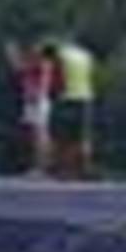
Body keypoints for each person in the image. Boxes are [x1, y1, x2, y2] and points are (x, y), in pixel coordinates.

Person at [45, 40, 96, 180]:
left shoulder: (60, 58)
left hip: (65, 99)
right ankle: (85, 168)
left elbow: (57, 79)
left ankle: (62, 169)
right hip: (85, 98)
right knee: (82, 137)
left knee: (61, 137)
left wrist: (51, 95)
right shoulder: (86, 56)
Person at [8, 41, 55, 176]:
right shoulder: (35, 65)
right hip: (32, 100)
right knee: (33, 134)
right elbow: (19, 69)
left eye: (38, 49)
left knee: (40, 133)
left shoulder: (43, 64)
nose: (35, 50)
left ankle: (43, 167)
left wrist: (13, 52)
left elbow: (20, 68)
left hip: (38, 100)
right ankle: (37, 166)